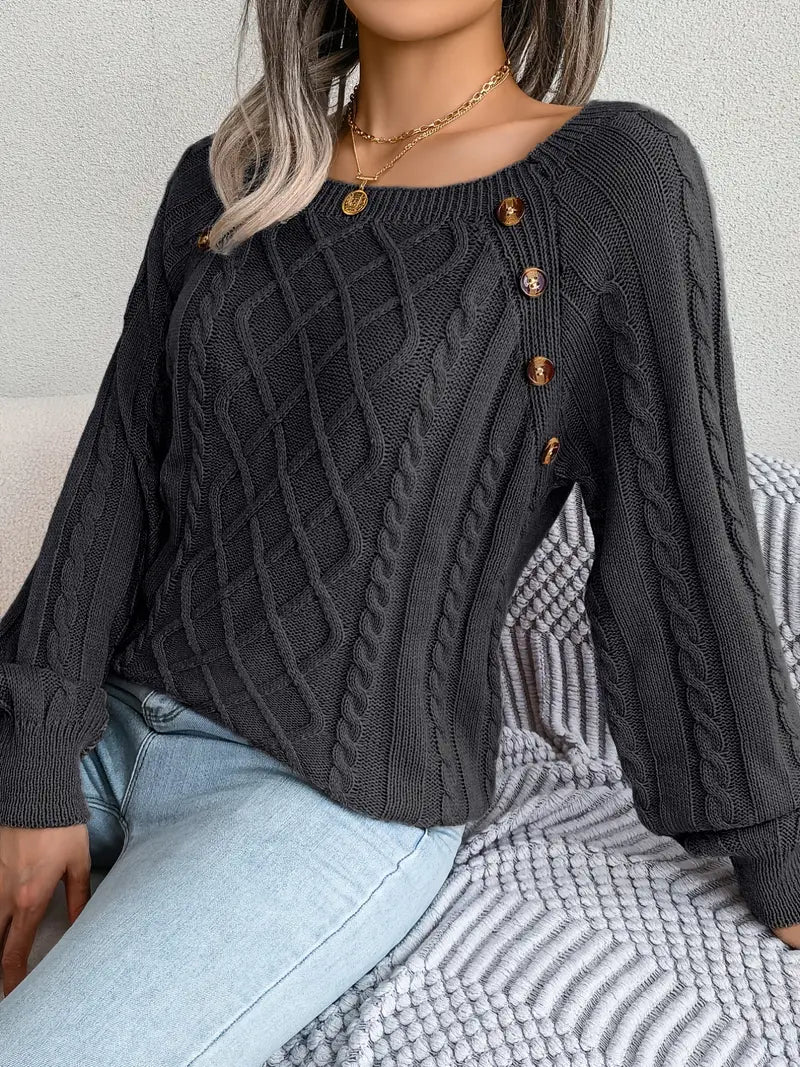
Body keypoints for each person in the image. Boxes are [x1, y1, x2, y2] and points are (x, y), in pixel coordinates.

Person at [2, 0, 799, 1062]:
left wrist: (780, 854)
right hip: (101, 721)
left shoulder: (610, 181)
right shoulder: (225, 177)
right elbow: (116, 477)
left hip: (320, 796)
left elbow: (679, 541)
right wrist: (34, 760)